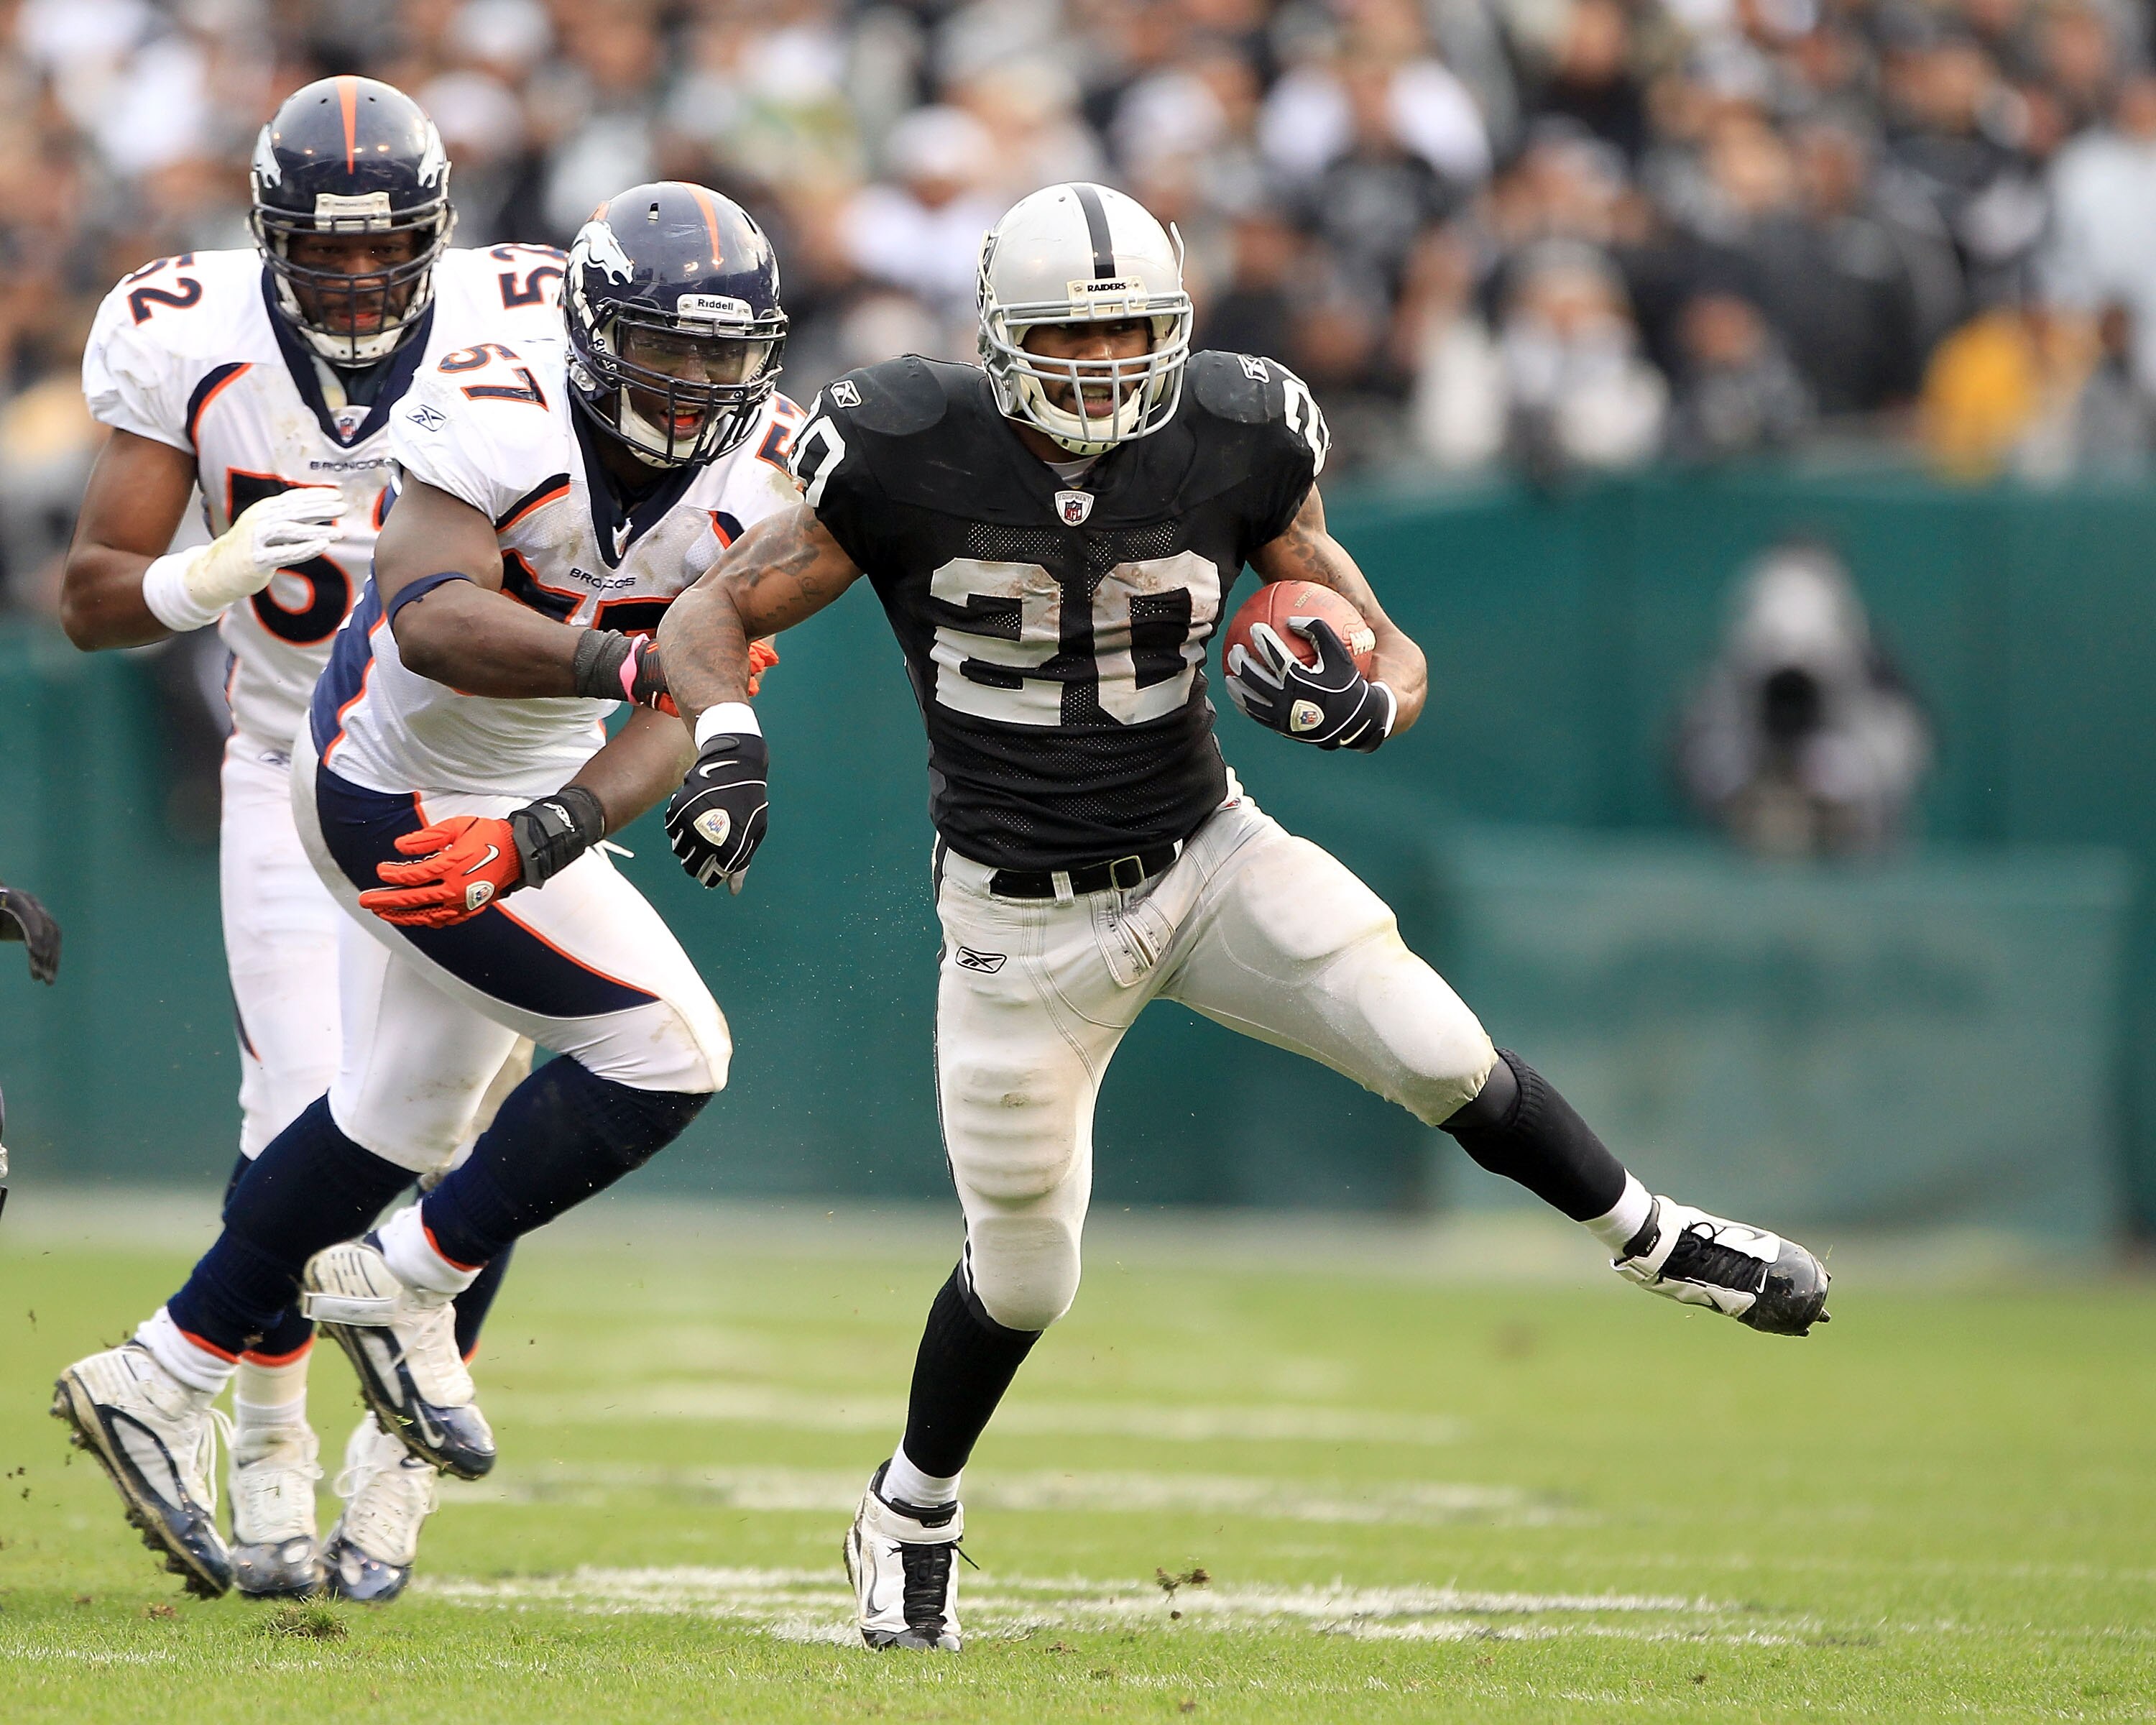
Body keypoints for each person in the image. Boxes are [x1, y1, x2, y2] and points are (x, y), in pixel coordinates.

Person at [653, 181, 1833, 1654]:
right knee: (1026, 1273)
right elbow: (709, 610)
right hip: (1018, 922)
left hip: (1207, 853)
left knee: (1434, 1044)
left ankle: (1655, 1236)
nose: (1105, 365)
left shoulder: (1240, 430)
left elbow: (1388, 645)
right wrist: (725, 742)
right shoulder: (903, 444)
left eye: (1131, 332)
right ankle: (910, 1507)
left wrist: (1369, 704)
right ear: (999, 337)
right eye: (1071, 337)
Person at [52, 180, 795, 1604]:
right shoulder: (498, 407)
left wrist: (558, 827)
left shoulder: (766, 483)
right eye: (663, 346)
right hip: (385, 789)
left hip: (517, 799)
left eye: (722, 353)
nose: (692, 383)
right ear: (591, 334)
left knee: (402, 1117)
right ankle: (399, 1283)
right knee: (668, 1049)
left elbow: (682, 704)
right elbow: (435, 619)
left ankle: (162, 1371)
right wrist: (643, 669)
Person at [55, 75, 561, 1601]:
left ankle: (392, 1472)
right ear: (266, 237)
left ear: (438, 235)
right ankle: (265, 1443)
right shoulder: (189, 331)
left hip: (474, 770)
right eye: (323, 250)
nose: (353, 277)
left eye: (383, 246)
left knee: (467, 1124)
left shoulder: (528, 325)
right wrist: (201, 575)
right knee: (300, 1117)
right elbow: (89, 596)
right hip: (290, 763)